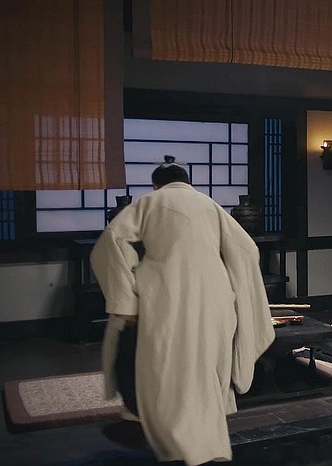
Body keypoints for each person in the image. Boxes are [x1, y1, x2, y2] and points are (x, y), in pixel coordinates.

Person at [90, 156, 275, 466]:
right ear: (188, 182)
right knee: (205, 362)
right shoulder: (210, 205)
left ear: (156, 184)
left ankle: (174, 443)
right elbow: (247, 249)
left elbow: (111, 240)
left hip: (166, 294)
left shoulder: (149, 202)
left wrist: (127, 295)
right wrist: (237, 286)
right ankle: (208, 441)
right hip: (213, 295)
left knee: (168, 367)